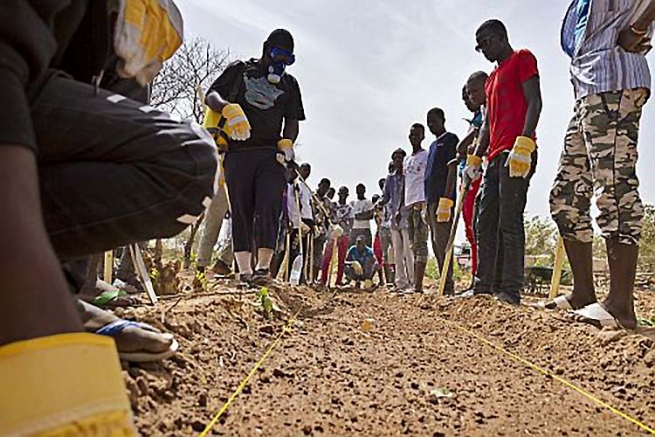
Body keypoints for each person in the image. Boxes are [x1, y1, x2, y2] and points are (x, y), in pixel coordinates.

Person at [0, 2, 217, 435]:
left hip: (34, 85)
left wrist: (110, 46)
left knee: (186, 165)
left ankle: (66, 290)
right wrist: (39, 327)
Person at [546, 0, 654, 329]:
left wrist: (638, 27)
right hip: (588, 86)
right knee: (565, 197)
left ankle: (620, 306)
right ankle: (583, 294)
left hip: (613, 78)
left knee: (614, 186)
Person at [205, 29, 305, 285]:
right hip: (238, 153)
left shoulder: (290, 84)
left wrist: (287, 142)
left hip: (271, 156)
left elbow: (292, 120)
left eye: (287, 58)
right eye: (277, 54)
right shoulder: (240, 71)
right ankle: (244, 270)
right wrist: (228, 108)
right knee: (241, 210)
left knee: (270, 204)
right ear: (265, 49)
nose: (280, 62)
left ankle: (262, 269)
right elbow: (211, 95)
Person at [462, 19, 543, 305]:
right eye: (479, 46)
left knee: (509, 220)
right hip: (494, 157)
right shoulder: (492, 79)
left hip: (516, 152)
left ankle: (510, 289)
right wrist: (475, 157)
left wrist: (524, 143)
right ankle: (484, 284)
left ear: (500, 37)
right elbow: (486, 125)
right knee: (485, 222)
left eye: (485, 42)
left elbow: (535, 101)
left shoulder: (522, 58)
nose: (482, 49)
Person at [425, 108, 459, 295]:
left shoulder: (450, 140)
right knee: (435, 243)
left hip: (442, 200)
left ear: (443, 120)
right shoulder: (432, 145)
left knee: (443, 241)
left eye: (434, 121)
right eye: (428, 121)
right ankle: (442, 279)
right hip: (430, 201)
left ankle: (448, 284)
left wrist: (446, 199)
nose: (431, 125)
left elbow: (452, 170)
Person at [458, 73, 488, 280]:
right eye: (465, 97)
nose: (468, 100)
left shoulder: (483, 119)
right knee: (470, 229)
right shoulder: (475, 120)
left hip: (479, 175)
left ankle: (480, 274)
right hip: (467, 175)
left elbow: (462, 147)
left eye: (471, 95)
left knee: (478, 228)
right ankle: (477, 274)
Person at [403, 124, 431, 293]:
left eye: (417, 134)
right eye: (411, 134)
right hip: (409, 204)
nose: (413, 137)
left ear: (422, 136)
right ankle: (414, 284)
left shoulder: (426, 156)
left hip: (421, 202)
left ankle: (418, 286)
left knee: (421, 243)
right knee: (413, 244)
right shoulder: (407, 159)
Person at [382, 149, 414, 292]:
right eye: (396, 159)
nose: (398, 161)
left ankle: (413, 281)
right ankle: (400, 282)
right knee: (397, 252)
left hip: (407, 217)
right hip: (394, 220)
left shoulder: (408, 176)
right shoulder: (390, 179)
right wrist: (379, 204)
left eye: (401, 158)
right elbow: (386, 197)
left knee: (409, 251)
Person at [321, 186, 354, 286]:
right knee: (327, 257)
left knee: (341, 259)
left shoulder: (349, 208)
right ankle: (323, 280)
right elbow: (326, 209)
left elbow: (351, 223)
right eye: (341, 193)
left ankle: (338, 280)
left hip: (344, 235)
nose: (342, 196)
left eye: (344, 194)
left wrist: (343, 226)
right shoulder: (333, 205)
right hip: (332, 234)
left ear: (347, 195)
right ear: (338, 194)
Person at [311, 178, 333, 283]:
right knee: (308, 254)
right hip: (311, 228)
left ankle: (314, 278)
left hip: (322, 231)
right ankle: (305, 277)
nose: (324, 189)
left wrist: (328, 231)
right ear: (319, 185)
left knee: (318, 255)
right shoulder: (312, 196)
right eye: (323, 186)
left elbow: (329, 217)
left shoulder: (327, 201)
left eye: (326, 188)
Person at [377, 174, 395, 285]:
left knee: (396, 252)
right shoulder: (380, 200)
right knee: (385, 255)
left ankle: (396, 278)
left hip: (393, 226)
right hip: (384, 227)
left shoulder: (394, 196)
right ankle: (388, 280)